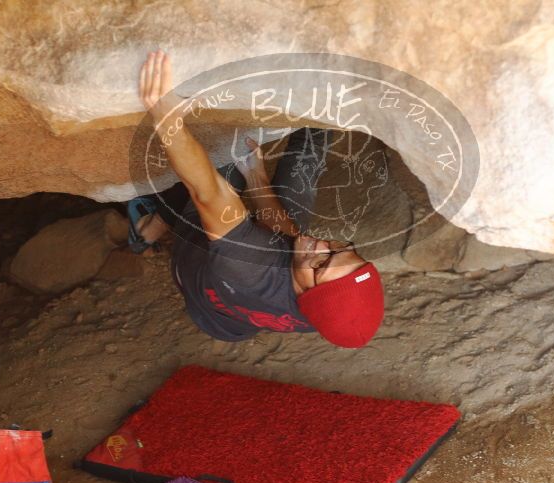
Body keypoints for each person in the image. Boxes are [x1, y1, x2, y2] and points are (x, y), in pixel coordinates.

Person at [132, 49, 384, 348]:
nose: (322, 245)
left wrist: (163, 113)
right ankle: (321, 93)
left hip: (201, 281)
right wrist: (257, 178)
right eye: (341, 249)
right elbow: (290, 238)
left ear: (306, 295)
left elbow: (207, 192)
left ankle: (158, 220)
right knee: (306, 160)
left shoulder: (248, 266)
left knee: (225, 150)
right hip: (241, 315)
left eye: (321, 264)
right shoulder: (322, 315)